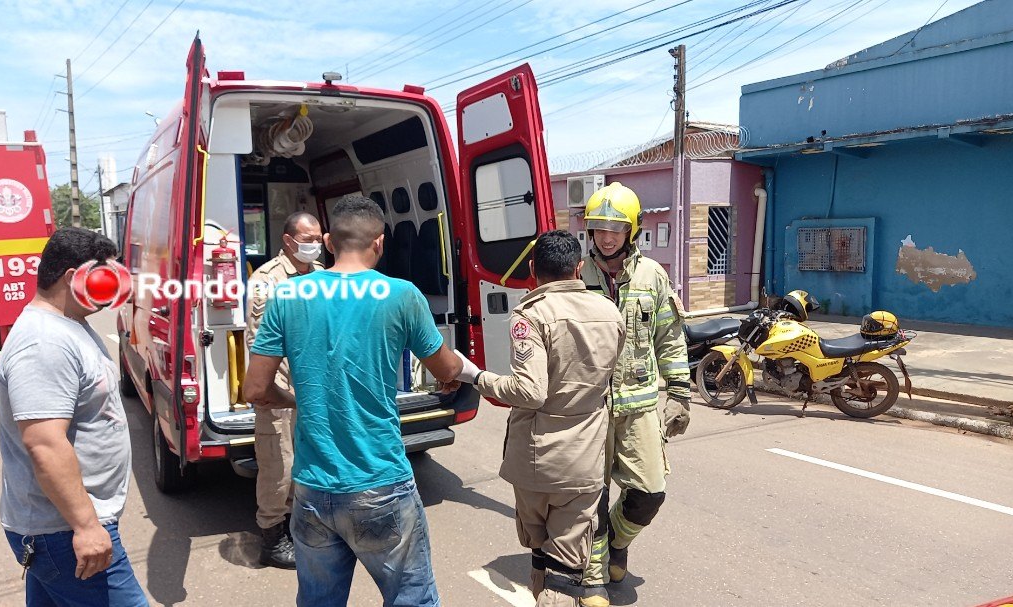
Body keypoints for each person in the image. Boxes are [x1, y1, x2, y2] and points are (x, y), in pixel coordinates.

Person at [242, 194, 465, 606]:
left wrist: (296, 401)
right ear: (379, 243)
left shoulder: (287, 296)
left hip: (311, 487)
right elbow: (447, 370)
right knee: (410, 598)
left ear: (328, 241)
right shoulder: (401, 295)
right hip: (379, 481)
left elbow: (254, 390)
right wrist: (452, 374)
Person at [455, 230, 625, 607]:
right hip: (584, 460)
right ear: (579, 268)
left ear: (533, 269)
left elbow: (530, 391)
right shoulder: (610, 312)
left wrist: (476, 376)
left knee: (540, 553)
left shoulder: (531, 316)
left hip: (536, 460)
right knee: (567, 567)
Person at [0, 227, 149, 606]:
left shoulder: (67, 324)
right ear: (72, 277)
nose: (110, 287)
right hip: (62, 529)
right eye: (103, 276)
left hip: (60, 526)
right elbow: (44, 444)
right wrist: (85, 526)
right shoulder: (44, 343)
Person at [578, 183, 692, 605]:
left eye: (616, 228)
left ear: (633, 230)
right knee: (590, 495)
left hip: (639, 405)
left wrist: (679, 392)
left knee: (649, 492)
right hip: (587, 410)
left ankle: (616, 543)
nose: (606, 236)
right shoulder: (574, 274)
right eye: (599, 227)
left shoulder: (653, 277)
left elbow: (670, 339)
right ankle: (592, 579)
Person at [245, 211, 324, 569]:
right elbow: (260, 343)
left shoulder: (322, 275)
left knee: (310, 458)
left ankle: (299, 527)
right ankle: (272, 537)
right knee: (279, 463)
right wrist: (276, 397)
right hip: (281, 387)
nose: (315, 244)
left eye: (319, 237)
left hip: (315, 385)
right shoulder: (267, 280)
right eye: (308, 239)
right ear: (289, 241)